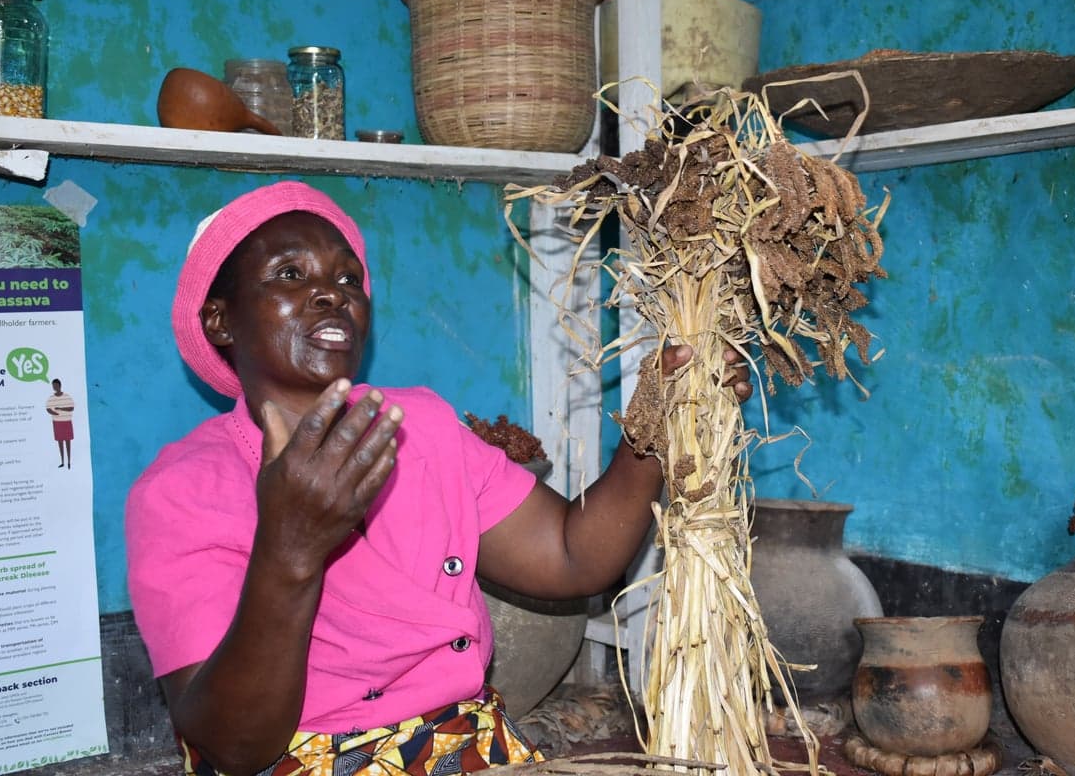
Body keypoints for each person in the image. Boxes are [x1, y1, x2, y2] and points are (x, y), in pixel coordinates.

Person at [125, 181, 752, 776]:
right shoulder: (184, 491)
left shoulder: (419, 427)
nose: (331, 292)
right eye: (290, 275)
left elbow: (570, 557)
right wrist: (290, 550)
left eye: (348, 278)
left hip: (463, 745)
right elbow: (234, 746)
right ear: (220, 322)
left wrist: (652, 431)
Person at [45, 378, 74, 469]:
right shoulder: (51, 398)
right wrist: (54, 413)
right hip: (57, 423)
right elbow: (48, 409)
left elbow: (71, 408)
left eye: (56, 385)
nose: (54, 387)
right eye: (53, 386)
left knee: (68, 443)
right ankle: (62, 462)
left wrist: (60, 409)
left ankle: (69, 462)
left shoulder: (67, 396)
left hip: (66, 422)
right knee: (60, 443)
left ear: (60, 386)